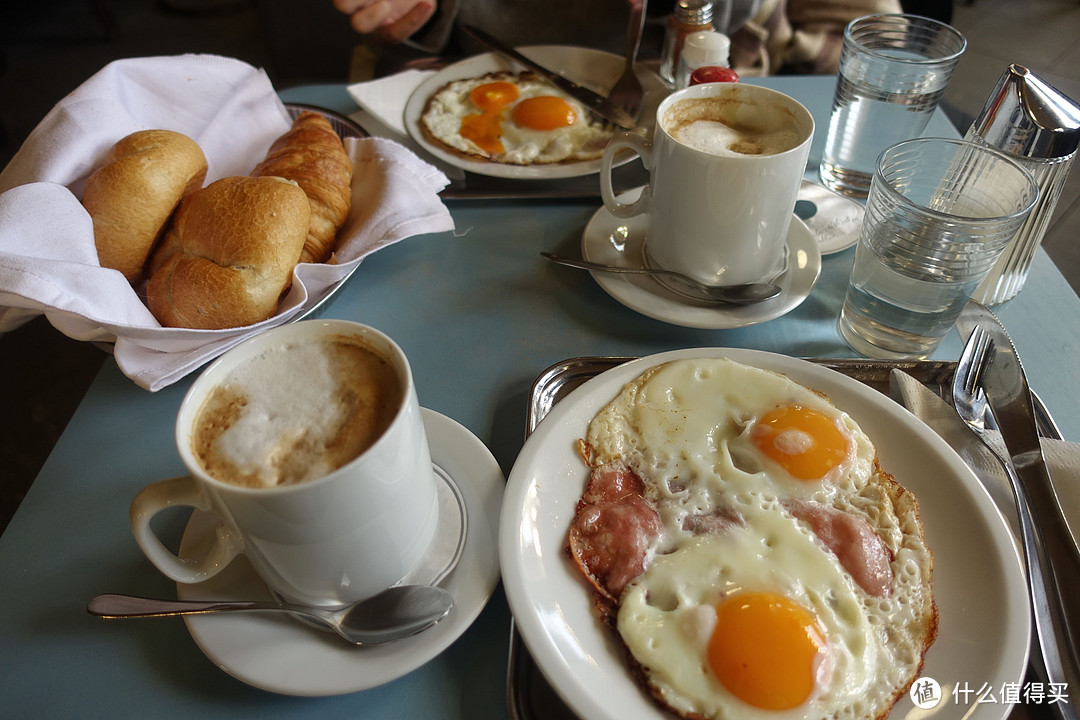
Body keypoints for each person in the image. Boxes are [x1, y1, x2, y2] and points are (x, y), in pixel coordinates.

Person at [331, 0, 763, 65]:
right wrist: (407, 17)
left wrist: (687, 7)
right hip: (470, 69)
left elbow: (735, 21)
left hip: (667, 74)